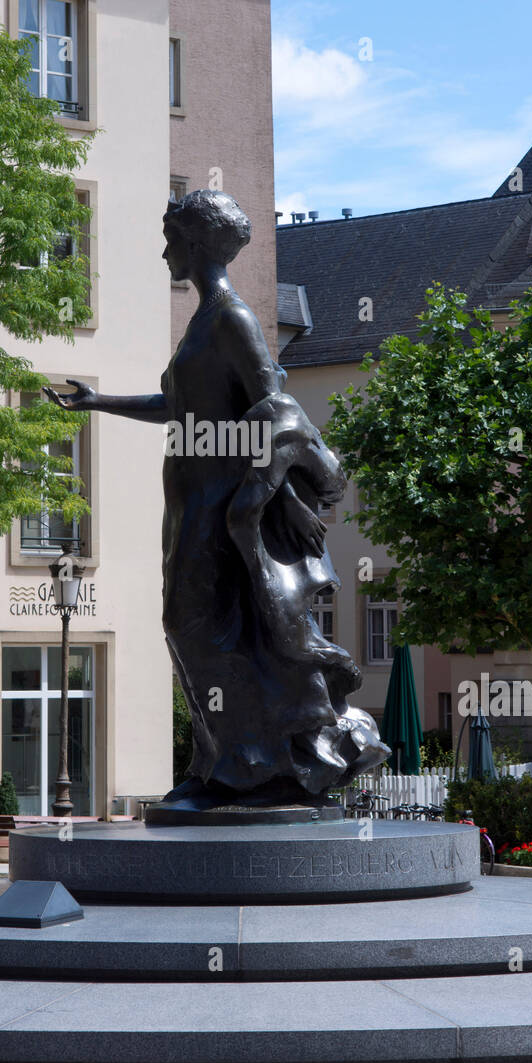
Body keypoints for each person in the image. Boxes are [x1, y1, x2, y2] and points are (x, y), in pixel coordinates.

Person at [45, 190, 389, 812]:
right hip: (191, 509)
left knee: (204, 628)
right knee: (198, 630)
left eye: (173, 237)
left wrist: (269, 501)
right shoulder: (204, 322)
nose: (166, 250)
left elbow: (276, 407)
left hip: (221, 510)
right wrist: (96, 402)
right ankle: (227, 767)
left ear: (199, 243)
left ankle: (251, 768)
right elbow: (180, 409)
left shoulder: (233, 318)